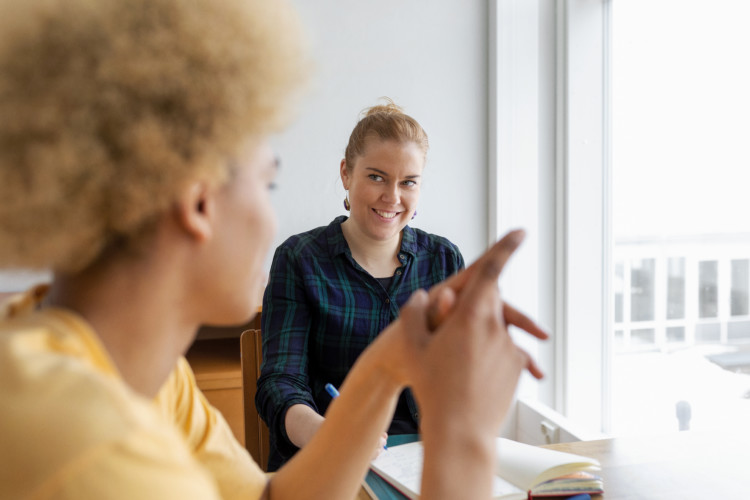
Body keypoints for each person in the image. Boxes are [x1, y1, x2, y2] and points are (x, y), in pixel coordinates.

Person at [0, 1, 547, 499]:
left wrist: (388, 364)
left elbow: (272, 497)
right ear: (199, 204)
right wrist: (466, 435)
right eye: (268, 183)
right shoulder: (93, 448)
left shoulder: (145, 375)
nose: (270, 215)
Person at [256, 100, 466, 471]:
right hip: (324, 459)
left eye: (408, 182)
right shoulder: (299, 259)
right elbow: (280, 382)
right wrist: (327, 434)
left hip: (423, 460)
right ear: (346, 174)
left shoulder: (444, 260)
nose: (392, 197)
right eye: (376, 177)